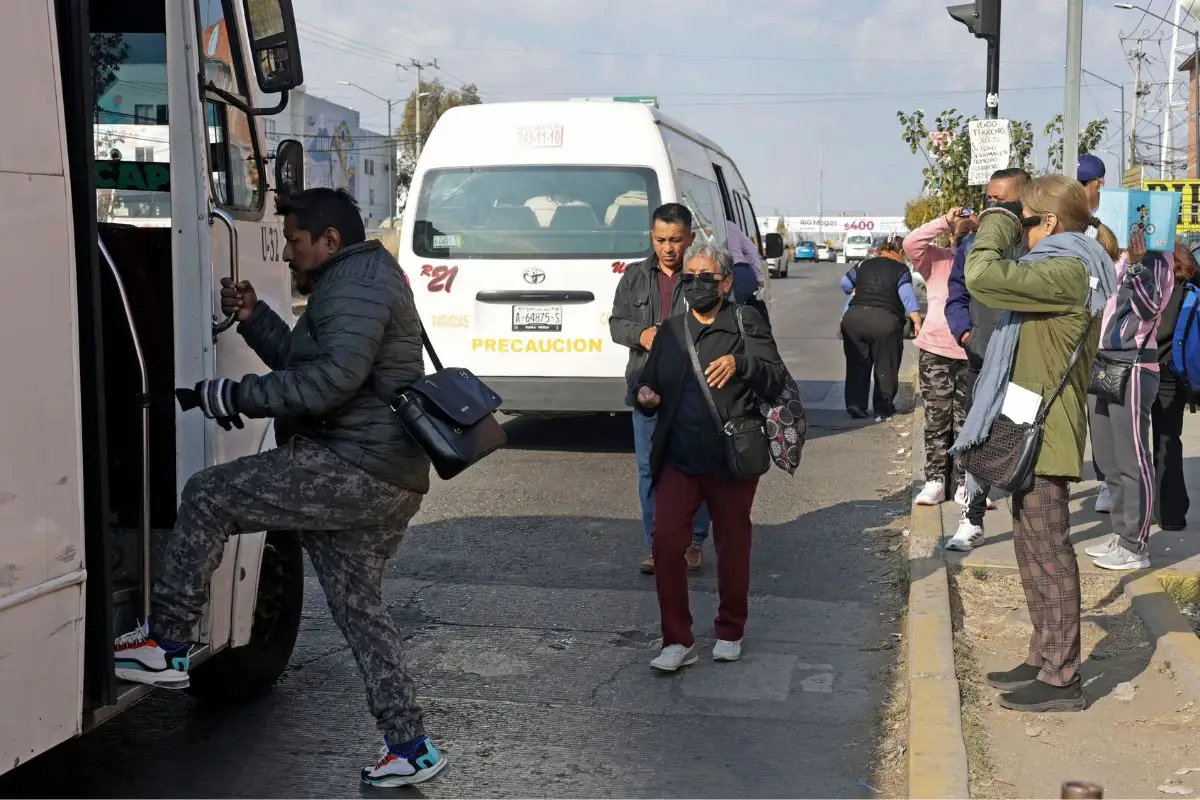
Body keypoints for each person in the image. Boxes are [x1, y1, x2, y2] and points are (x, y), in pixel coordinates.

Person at [110, 188, 446, 787]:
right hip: (382, 471)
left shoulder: (358, 284)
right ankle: (411, 744)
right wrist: (255, 317)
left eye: (294, 241)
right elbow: (307, 360)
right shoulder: (355, 278)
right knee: (361, 613)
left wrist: (231, 394)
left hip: (354, 467)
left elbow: (327, 384)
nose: (287, 252)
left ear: (330, 241)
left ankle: (169, 643)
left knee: (209, 494)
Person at [953, 174, 1118, 713]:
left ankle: (1062, 677)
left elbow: (981, 276)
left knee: (1049, 551)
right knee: (1030, 548)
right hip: (1028, 423)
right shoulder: (1059, 265)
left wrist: (995, 219)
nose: (1015, 228)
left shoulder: (1067, 270)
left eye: (1023, 220)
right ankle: (1043, 654)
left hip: (1046, 433)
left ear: (1048, 223)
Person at [634, 242, 787, 672]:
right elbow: (647, 385)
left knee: (733, 545)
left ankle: (730, 629)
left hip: (730, 456)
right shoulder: (670, 330)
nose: (697, 284)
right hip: (678, 458)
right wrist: (645, 396)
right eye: (689, 276)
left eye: (706, 277)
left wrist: (742, 365)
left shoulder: (745, 321)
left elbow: (775, 378)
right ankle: (675, 640)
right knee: (665, 545)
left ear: (724, 282)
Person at [610, 203, 711, 574]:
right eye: (660, 239)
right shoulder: (635, 276)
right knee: (650, 471)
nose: (668, 248)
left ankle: (693, 542)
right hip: (647, 391)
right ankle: (658, 545)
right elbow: (616, 324)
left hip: (695, 392)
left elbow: (725, 325)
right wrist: (641, 334)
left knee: (695, 468)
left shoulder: (704, 276)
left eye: (675, 240)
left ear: (690, 239)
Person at [944, 167, 1032, 549]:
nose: (993, 205)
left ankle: (1028, 520)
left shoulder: (1038, 245)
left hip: (1028, 363)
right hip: (982, 358)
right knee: (977, 436)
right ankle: (972, 518)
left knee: (1024, 439)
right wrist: (967, 334)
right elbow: (956, 296)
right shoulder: (974, 245)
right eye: (990, 198)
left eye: (1003, 198)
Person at [1084, 229, 1173, 571]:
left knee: (1133, 457)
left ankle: (1135, 544)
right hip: (1104, 361)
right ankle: (1122, 535)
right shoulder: (1121, 255)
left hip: (1134, 363)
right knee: (1109, 458)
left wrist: (1135, 267)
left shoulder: (1156, 257)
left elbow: (1150, 307)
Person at [904, 208, 972, 507]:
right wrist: (945, 220)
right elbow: (911, 244)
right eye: (961, 229)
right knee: (936, 418)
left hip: (972, 350)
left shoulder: (984, 260)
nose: (964, 233)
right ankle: (934, 480)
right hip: (936, 349)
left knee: (967, 420)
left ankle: (963, 482)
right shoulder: (937, 258)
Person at [840, 238, 923, 421]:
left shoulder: (863, 265)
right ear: (900, 253)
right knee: (886, 365)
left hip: (854, 320)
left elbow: (845, 283)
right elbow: (907, 296)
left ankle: (856, 405)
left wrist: (854, 291)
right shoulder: (901, 271)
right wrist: (917, 321)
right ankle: (882, 408)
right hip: (884, 322)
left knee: (857, 363)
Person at [1150, 243, 1199, 531]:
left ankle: (1143, 512)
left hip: (1145, 366)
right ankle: (1171, 514)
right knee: (1168, 441)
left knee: (1132, 446)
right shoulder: (1188, 278)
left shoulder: (1152, 276)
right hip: (1176, 371)